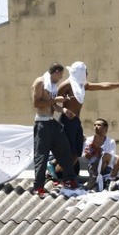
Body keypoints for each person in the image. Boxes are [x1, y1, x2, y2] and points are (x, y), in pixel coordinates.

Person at [52, 61, 119, 176]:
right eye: (85, 71)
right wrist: (63, 109)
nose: (87, 73)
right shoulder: (66, 85)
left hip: (76, 122)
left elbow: (103, 86)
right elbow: (53, 102)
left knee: (77, 153)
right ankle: (56, 173)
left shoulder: (82, 85)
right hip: (67, 121)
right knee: (68, 153)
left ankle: (64, 175)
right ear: (80, 72)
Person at [31, 62, 79, 197]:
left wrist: (64, 110)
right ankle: (38, 187)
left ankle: (69, 180)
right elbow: (37, 104)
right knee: (42, 155)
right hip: (42, 124)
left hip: (52, 123)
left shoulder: (52, 85)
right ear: (56, 72)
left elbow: (53, 106)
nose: (61, 78)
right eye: (61, 74)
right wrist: (54, 100)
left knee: (65, 150)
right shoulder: (40, 82)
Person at [82, 118, 117, 191]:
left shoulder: (111, 141)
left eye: (99, 125)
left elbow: (109, 158)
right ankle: (96, 178)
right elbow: (86, 156)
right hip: (93, 166)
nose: (96, 127)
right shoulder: (89, 140)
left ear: (105, 128)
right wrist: (92, 150)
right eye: (95, 125)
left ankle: (95, 179)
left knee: (105, 156)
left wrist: (98, 149)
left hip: (106, 168)